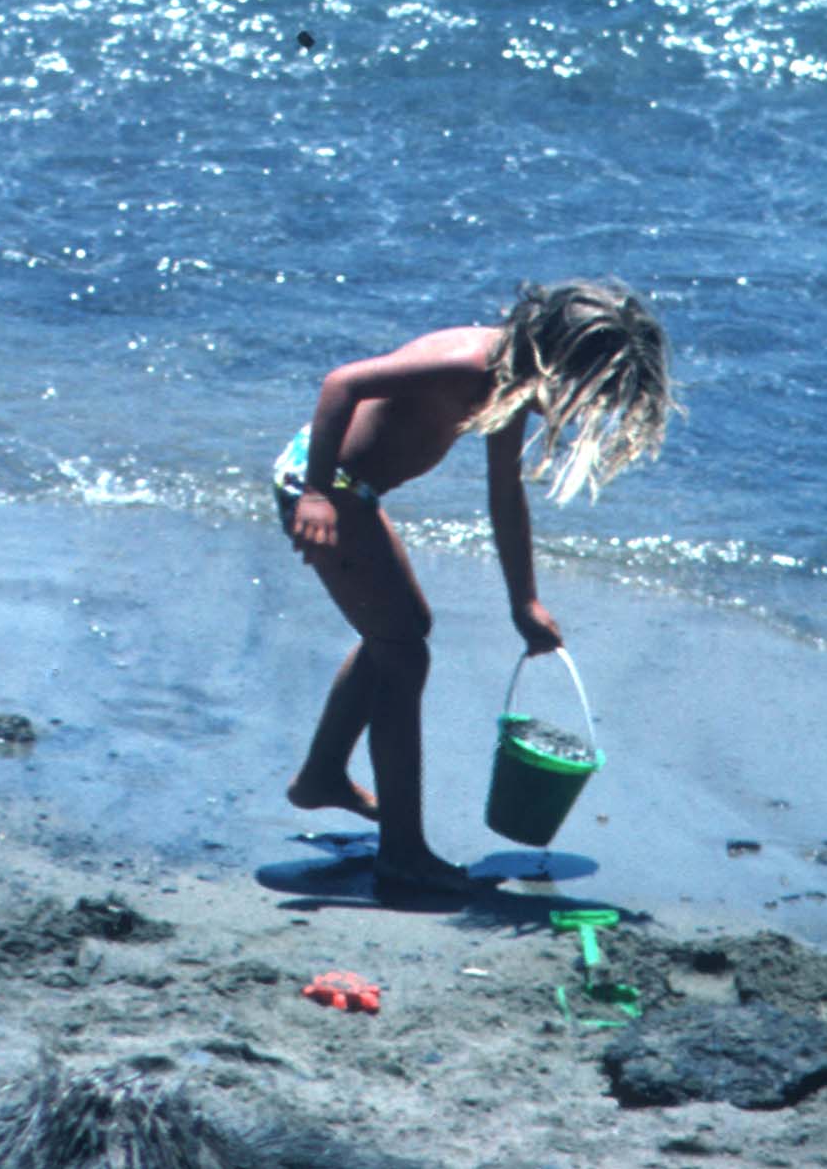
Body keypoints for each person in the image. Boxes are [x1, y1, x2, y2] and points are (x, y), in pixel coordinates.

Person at [274, 279, 674, 902]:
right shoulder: (468, 363)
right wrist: (317, 494)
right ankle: (402, 852)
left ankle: (324, 773)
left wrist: (525, 601)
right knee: (404, 650)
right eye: (577, 393)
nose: (571, 411)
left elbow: (503, 494)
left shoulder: (507, 386)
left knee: (400, 634)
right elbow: (342, 383)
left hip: (353, 488)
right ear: (555, 361)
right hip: (327, 485)